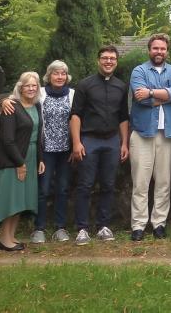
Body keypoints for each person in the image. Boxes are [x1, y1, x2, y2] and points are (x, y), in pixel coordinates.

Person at [69, 46, 129, 245]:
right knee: (85, 185)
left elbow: (123, 117)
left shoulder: (121, 86)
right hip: (89, 140)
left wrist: (124, 143)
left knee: (108, 185)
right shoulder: (85, 85)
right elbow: (75, 115)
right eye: (105, 58)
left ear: (116, 62)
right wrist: (76, 142)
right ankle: (82, 228)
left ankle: (104, 226)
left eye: (112, 58)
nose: (108, 61)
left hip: (112, 141)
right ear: (98, 61)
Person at [127, 33, 171, 242]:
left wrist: (150, 93)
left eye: (162, 49)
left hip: (166, 133)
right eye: (155, 48)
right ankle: (138, 225)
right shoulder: (139, 71)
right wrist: (164, 97)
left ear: (167, 51)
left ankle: (159, 223)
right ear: (149, 50)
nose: (159, 52)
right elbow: (138, 99)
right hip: (143, 132)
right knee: (140, 182)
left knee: (163, 181)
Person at [19, 61, 74, 244]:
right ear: (48, 76)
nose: (60, 77)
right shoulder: (40, 93)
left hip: (66, 150)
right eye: (56, 73)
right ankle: (39, 228)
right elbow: (20, 100)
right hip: (45, 151)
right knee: (42, 189)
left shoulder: (73, 94)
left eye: (63, 74)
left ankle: (60, 228)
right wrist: (5, 102)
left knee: (63, 189)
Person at [0, 71, 45, 251]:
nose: (31, 89)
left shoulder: (37, 106)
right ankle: (4, 240)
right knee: (11, 200)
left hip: (31, 157)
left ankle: (11, 236)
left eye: (34, 85)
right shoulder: (11, 107)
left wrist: (40, 158)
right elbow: (7, 140)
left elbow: (38, 135)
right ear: (20, 88)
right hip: (14, 159)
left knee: (22, 201)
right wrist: (19, 163)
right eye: (27, 85)